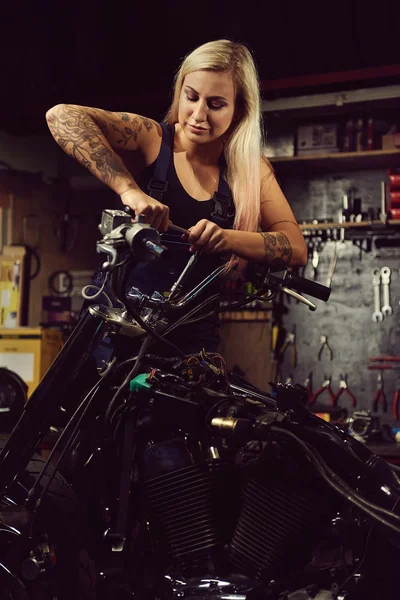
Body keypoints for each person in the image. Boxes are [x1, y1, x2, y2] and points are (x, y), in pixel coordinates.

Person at [45, 39, 307, 354]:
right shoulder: (152, 139)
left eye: (216, 104)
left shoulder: (249, 169)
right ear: (180, 91)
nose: (198, 114)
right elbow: (61, 116)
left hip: (191, 338)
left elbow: (295, 247)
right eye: (191, 97)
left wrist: (227, 238)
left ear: (240, 110)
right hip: (116, 326)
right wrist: (131, 191)